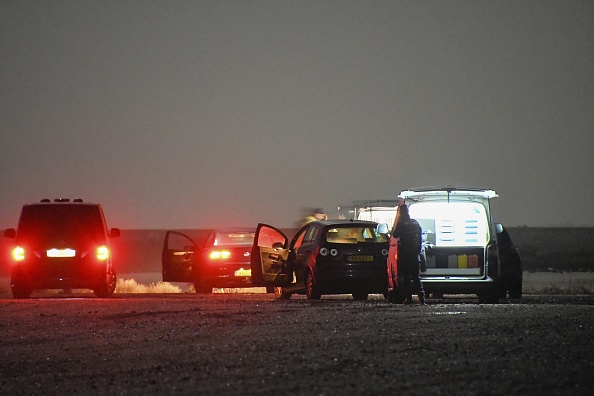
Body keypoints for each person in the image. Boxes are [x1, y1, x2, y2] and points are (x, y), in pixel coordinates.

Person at [392, 204, 425, 305]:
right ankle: (422, 299)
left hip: (405, 254)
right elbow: (420, 237)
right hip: (414, 254)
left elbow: (395, 234)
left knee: (406, 277)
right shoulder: (415, 223)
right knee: (416, 277)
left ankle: (409, 298)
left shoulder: (401, 224)